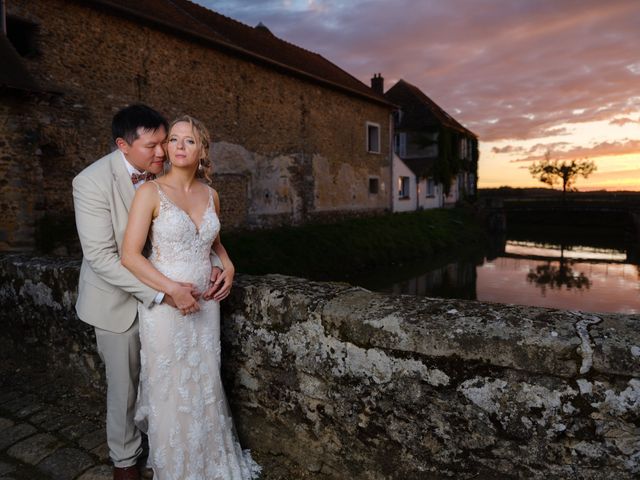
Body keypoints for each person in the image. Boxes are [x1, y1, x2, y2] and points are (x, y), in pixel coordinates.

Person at [72, 104, 225, 480]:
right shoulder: (90, 182)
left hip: (185, 299)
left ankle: (185, 451)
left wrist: (225, 263)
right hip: (117, 300)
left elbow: (203, 236)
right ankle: (124, 464)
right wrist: (164, 293)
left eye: (165, 141)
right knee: (125, 387)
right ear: (123, 145)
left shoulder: (190, 187)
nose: (162, 152)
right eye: (153, 146)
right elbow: (103, 258)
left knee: (182, 382)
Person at [121, 115, 260, 479]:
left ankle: (210, 463)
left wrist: (227, 266)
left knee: (204, 381)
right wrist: (172, 291)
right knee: (171, 387)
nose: (180, 146)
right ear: (167, 148)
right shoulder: (149, 192)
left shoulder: (210, 194)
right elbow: (130, 255)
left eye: (190, 141)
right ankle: (177, 470)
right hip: (167, 308)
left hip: (207, 306)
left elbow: (211, 243)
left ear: (202, 150)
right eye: (175, 139)